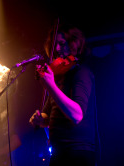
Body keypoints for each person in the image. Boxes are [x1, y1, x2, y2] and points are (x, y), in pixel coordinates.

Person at [29, 24, 97, 166]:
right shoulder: (59, 77)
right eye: (56, 45)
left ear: (74, 44)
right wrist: (40, 119)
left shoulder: (81, 73)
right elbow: (49, 114)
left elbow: (77, 115)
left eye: (62, 43)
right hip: (59, 152)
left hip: (77, 152)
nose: (58, 49)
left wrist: (51, 85)